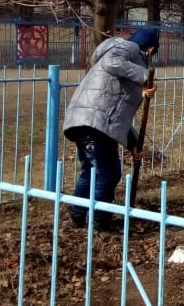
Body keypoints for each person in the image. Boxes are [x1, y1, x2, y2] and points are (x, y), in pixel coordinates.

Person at [63, 27, 158, 229]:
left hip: (86, 121)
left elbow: (117, 112)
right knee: (108, 173)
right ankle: (98, 219)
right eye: (152, 52)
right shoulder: (128, 48)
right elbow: (111, 62)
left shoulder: (119, 62)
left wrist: (133, 144)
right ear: (150, 48)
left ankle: (79, 214)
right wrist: (145, 76)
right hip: (94, 124)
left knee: (91, 171)